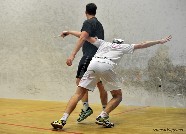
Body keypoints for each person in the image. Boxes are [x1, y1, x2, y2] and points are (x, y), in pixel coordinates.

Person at [51, 34, 172, 129]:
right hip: (106, 67)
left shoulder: (103, 43)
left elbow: (84, 36)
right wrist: (159, 41)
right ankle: (103, 116)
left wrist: (69, 32)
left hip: (93, 65)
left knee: (78, 94)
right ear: (120, 43)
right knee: (117, 96)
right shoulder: (123, 46)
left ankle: (62, 119)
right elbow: (142, 44)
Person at [64, 3, 108, 122]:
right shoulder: (98, 24)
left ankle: (85, 108)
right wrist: (69, 32)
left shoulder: (88, 23)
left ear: (85, 12)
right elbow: (86, 36)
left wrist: (72, 56)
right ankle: (104, 113)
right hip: (101, 60)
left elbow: (83, 37)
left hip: (89, 58)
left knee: (80, 82)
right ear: (95, 11)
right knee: (101, 85)